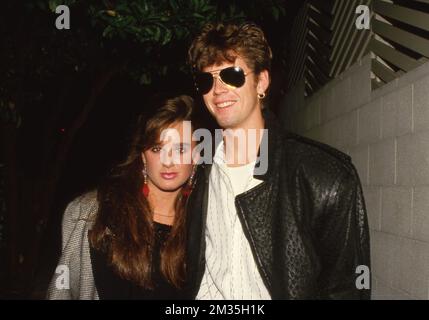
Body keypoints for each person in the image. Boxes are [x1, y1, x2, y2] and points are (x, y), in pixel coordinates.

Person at [186, 22, 371, 299]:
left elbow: (347, 289)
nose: (218, 89)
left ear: (261, 82)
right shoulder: (199, 170)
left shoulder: (323, 175)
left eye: (232, 75)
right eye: (206, 80)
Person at [47, 95, 199, 299]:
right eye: (157, 148)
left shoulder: (204, 221)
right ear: (143, 156)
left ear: (197, 155)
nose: (168, 161)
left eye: (180, 149)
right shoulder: (95, 213)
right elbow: (62, 290)